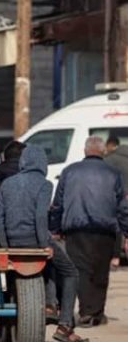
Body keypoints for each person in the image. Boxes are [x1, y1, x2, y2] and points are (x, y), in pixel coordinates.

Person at [0, 145, 90, 342]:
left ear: (23, 162)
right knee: (70, 272)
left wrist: (6, 246)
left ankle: (50, 305)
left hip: (12, 243)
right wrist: (44, 246)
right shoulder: (44, 184)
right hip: (34, 241)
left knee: (51, 265)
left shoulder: (8, 183)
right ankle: (64, 325)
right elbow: (39, 217)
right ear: (43, 164)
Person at [50, 136, 128, 328]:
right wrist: (126, 231)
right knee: (101, 272)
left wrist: (55, 228)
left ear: (85, 151)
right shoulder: (114, 173)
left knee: (81, 271)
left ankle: (86, 312)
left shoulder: (69, 171)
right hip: (105, 230)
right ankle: (95, 312)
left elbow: (58, 203)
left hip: (76, 229)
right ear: (103, 151)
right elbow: (122, 207)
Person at [105, 135, 128, 270]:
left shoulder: (110, 160)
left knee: (118, 226)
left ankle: (115, 258)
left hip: (119, 196)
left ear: (110, 145)